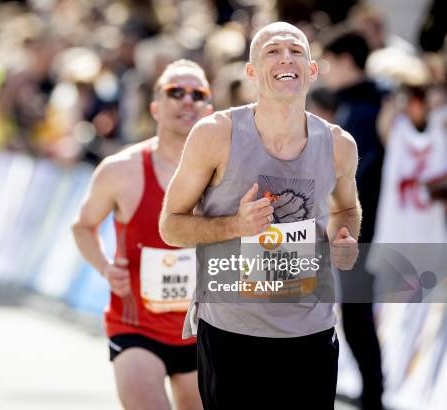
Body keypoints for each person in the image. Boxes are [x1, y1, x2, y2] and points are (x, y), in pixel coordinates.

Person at [160, 22, 360, 409]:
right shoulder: (216, 134)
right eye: (272, 51)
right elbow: (171, 225)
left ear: (312, 70)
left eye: (296, 50)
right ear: (252, 73)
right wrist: (236, 225)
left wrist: (345, 238)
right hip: (232, 334)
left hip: (311, 334)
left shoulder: (338, 145)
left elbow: (346, 208)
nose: (286, 57)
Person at [72, 59, 212, 410]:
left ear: (209, 108)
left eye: (198, 94)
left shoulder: (224, 174)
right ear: (155, 107)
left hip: (201, 329)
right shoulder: (122, 170)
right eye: (175, 92)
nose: (187, 101)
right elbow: (83, 227)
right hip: (136, 329)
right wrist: (106, 268)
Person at [322, 28, 385, 410]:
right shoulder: (360, 105)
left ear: (347, 60)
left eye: (329, 62)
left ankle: (373, 395)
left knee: (357, 316)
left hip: (365, 229)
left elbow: (358, 178)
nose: (326, 71)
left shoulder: (364, 109)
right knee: (355, 315)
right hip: (364, 227)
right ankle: (372, 392)